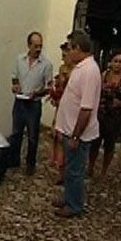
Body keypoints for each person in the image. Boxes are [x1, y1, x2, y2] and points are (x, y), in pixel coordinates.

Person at [53, 30, 101, 217]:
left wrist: (75, 135)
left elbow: (86, 108)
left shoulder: (89, 71)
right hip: (69, 128)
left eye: (71, 49)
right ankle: (68, 197)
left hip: (78, 133)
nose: (68, 53)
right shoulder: (81, 68)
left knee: (75, 171)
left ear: (79, 49)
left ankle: (75, 205)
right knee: (70, 168)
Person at [9, 31, 53, 175]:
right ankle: (14, 160)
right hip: (19, 101)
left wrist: (37, 94)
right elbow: (14, 76)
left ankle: (30, 164)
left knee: (33, 136)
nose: (38, 49)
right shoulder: (19, 60)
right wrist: (15, 85)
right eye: (35, 46)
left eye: (40, 46)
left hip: (33, 104)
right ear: (29, 45)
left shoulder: (46, 65)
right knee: (16, 133)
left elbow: (49, 87)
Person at [87, 48, 121, 179]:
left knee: (109, 145)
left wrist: (120, 103)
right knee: (95, 143)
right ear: (111, 62)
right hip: (100, 114)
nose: (118, 64)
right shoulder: (104, 75)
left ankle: (103, 170)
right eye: (116, 61)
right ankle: (90, 166)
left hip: (114, 117)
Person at [49, 42, 74, 185]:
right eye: (62, 55)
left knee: (65, 138)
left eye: (66, 55)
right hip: (60, 107)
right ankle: (60, 169)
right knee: (57, 137)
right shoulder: (62, 68)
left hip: (70, 108)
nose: (64, 58)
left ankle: (67, 170)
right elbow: (58, 87)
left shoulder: (76, 71)